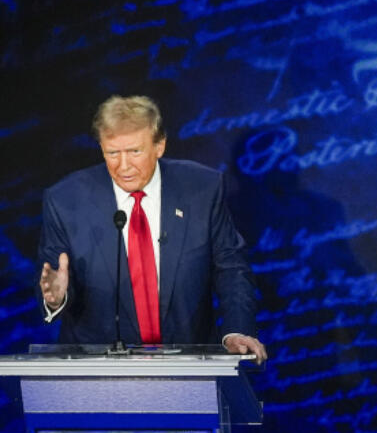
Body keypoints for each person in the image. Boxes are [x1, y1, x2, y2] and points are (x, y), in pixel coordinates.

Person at [37, 95, 267, 361]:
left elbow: (231, 267)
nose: (123, 166)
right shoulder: (66, 200)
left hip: (189, 364)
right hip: (99, 371)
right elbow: (52, 278)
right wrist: (56, 298)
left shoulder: (201, 189)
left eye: (135, 151)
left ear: (159, 145)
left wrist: (236, 331)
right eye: (112, 153)